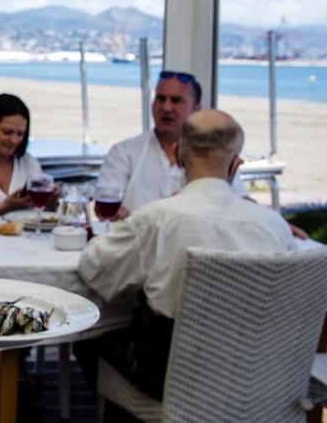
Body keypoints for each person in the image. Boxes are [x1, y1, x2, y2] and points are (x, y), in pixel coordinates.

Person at [76, 109, 297, 411]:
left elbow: (94, 269)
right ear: (236, 165)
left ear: (179, 154)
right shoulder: (274, 227)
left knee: (91, 340)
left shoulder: (157, 220)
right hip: (258, 384)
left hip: (168, 382)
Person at [97, 71, 247, 214]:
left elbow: (241, 202)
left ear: (196, 109)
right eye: (161, 99)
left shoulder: (213, 156)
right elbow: (105, 202)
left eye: (176, 101)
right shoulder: (124, 152)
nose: (166, 108)